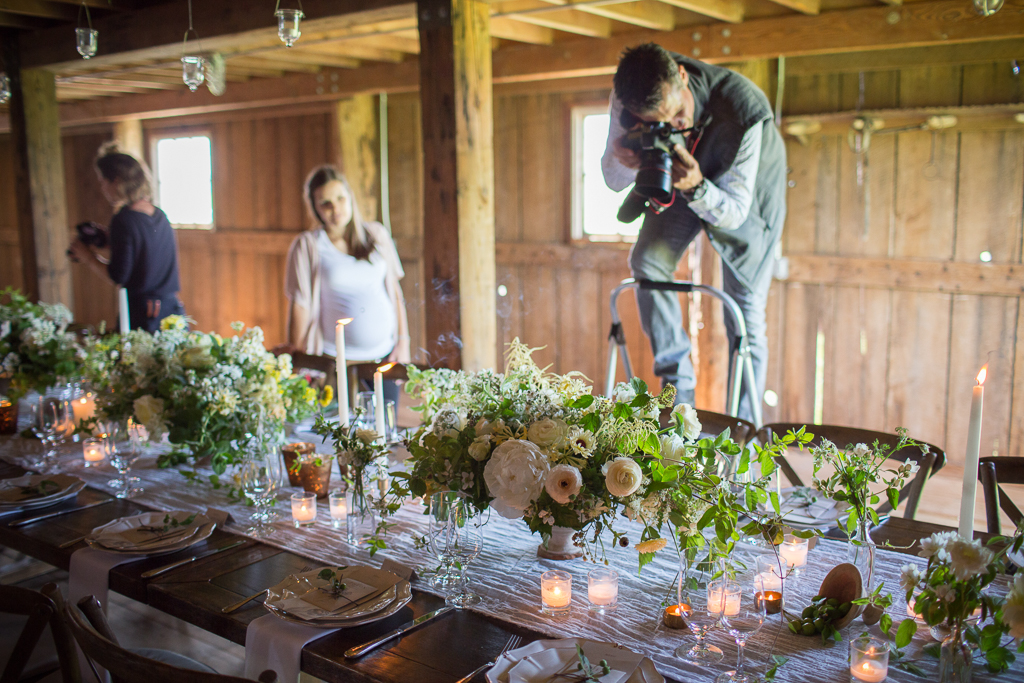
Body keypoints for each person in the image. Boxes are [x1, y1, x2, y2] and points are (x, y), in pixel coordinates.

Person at [602, 43, 786, 421]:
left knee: (746, 311)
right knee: (647, 263)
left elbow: (733, 212)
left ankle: (745, 436)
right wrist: (626, 160)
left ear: (682, 77)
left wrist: (700, 187)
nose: (676, 127)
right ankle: (679, 408)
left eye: (679, 114)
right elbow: (611, 178)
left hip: (746, 195)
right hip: (679, 182)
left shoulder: (746, 109)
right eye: (661, 124)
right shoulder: (627, 98)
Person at [284, 166, 410, 403]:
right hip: (336, 361)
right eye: (326, 203)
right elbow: (299, 304)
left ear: (350, 197)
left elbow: (394, 291)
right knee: (343, 432)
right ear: (315, 208)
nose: (336, 209)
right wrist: (299, 359)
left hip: (384, 354)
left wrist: (403, 341)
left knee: (387, 428)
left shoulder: (376, 234)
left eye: (340, 198)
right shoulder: (309, 246)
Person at [68, 143, 185, 332]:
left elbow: (118, 275)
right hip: (171, 308)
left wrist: (87, 256)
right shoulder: (158, 215)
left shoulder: (124, 219)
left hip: (144, 313)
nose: (102, 187)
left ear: (115, 181)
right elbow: (144, 253)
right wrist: (109, 239)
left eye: (102, 181)